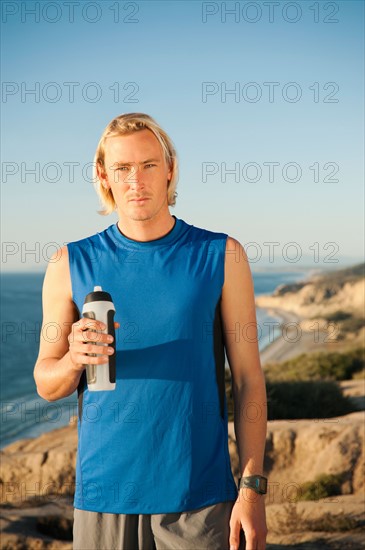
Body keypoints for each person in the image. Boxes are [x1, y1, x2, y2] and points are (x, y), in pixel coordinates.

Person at [34, 113, 268, 550]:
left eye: (149, 165)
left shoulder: (221, 255)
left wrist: (252, 488)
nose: (136, 181)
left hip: (198, 499)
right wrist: (71, 359)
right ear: (103, 176)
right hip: (104, 496)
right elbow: (46, 383)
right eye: (122, 168)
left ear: (170, 170)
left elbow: (250, 380)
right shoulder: (69, 263)